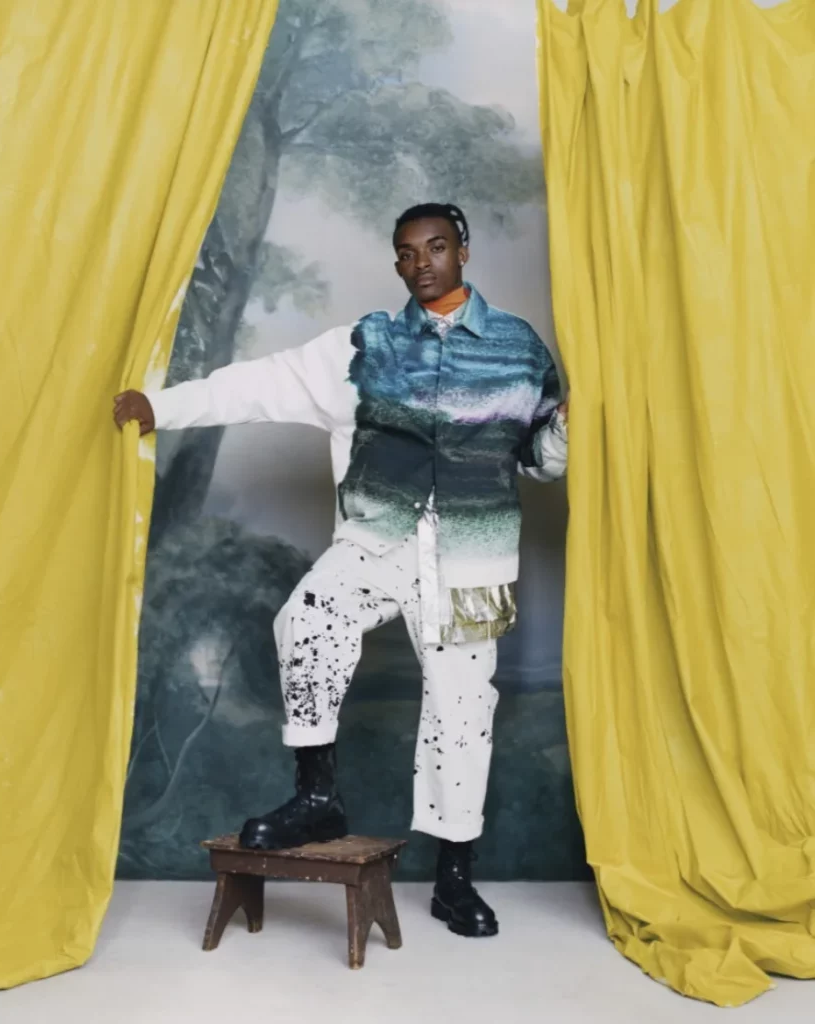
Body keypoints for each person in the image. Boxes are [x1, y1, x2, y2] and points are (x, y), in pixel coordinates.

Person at [115, 203, 568, 939]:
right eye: (406, 252)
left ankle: (454, 877)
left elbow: (540, 459)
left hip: (469, 560)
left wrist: (567, 427)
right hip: (378, 538)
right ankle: (316, 795)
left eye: (436, 247)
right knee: (307, 618)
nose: (421, 262)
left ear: (463, 250)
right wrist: (160, 407)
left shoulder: (518, 349)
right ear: (396, 263)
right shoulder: (364, 345)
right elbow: (258, 386)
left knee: (461, 709)